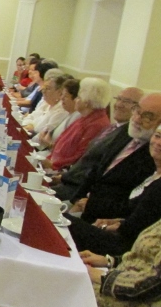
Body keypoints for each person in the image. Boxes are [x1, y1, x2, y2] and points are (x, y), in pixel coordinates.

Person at [68, 125, 161, 258]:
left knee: (65, 222)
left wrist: (111, 225)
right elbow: (133, 210)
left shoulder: (158, 185)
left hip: (126, 248)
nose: (158, 143)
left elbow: (137, 226)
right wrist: (116, 221)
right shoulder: (153, 176)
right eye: (157, 136)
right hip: (118, 233)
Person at [69, 93, 161, 223]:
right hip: (81, 203)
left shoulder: (155, 155)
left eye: (148, 117)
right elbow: (97, 169)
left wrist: (91, 205)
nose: (137, 119)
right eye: (137, 110)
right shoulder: (126, 133)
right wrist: (76, 200)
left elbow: (132, 206)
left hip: (104, 219)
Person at [53, 86, 143, 200]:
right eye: (118, 99)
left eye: (127, 101)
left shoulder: (128, 136)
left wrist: (64, 177)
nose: (119, 104)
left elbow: (94, 169)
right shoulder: (111, 128)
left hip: (77, 191)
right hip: (68, 180)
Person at [82, 219, 161, 307]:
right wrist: (109, 261)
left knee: (73, 292)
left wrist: (104, 278)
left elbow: (153, 286)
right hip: (128, 289)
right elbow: (144, 258)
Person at [45, 77, 110, 171]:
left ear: (87, 103)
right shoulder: (85, 117)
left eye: (78, 97)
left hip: (62, 170)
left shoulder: (97, 125)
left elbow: (80, 157)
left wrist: (52, 164)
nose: (75, 100)